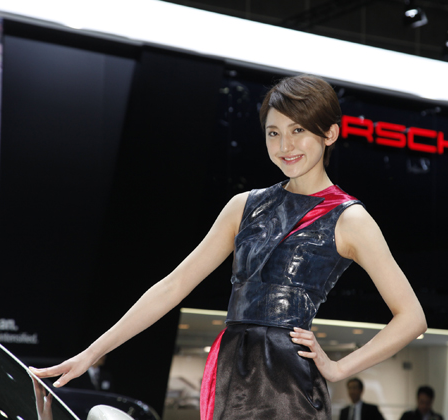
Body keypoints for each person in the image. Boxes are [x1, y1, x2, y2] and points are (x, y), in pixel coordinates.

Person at [30, 74, 427, 419]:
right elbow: (173, 286)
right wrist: (89, 354)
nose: (285, 144)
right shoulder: (243, 206)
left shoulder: (350, 218)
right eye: (273, 132)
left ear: (330, 134)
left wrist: (338, 368)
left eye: (298, 130)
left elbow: (411, 318)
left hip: (288, 382)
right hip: (229, 368)